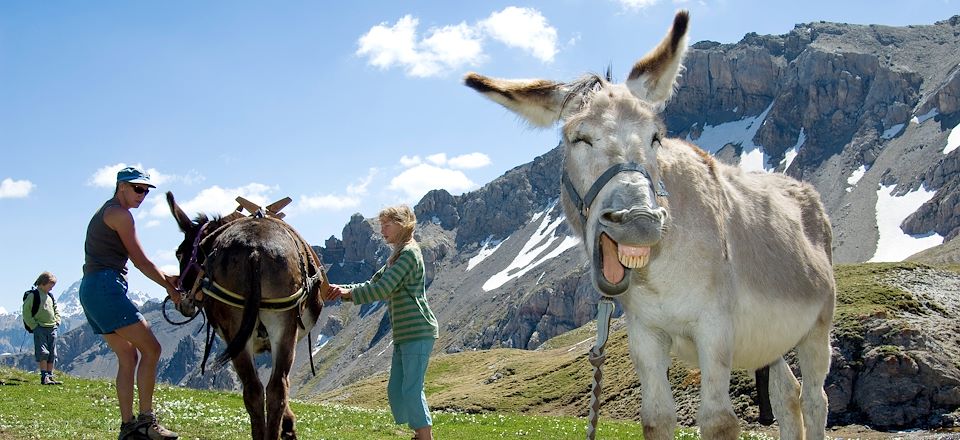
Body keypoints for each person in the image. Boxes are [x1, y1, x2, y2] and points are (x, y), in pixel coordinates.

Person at [79, 166, 181, 440]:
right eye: (138, 188)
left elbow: (138, 262)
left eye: (146, 190)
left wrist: (165, 277)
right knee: (152, 349)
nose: (143, 194)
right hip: (105, 287)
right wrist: (169, 288)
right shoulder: (121, 215)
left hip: (91, 288)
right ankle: (147, 423)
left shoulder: (107, 211)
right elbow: (140, 261)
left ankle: (128, 428)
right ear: (120, 186)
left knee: (128, 355)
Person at [328, 205, 439, 440]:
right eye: (381, 226)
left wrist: (346, 294)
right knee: (396, 390)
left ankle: (424, 436)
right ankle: (419, 432)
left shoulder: (409, 254)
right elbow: (373, 282)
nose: (382, 231)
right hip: (404, 333)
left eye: (386, 225)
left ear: (402, 224)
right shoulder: (396, 255)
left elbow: (383, 288)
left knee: (411, 388)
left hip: (418, 330)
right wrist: (342, 290)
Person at [22, 271, 62, 385]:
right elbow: (26, 312)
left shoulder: (50, 296)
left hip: (52, 327)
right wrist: (34, 326)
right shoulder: (33, 295)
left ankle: (50, 375)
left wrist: (57, 321)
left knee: (52, 353)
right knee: (43, 352)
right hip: (40, 328)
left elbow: (56, 309)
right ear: (43, 283)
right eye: (51, 285)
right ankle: (44, 376)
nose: (52, 289)